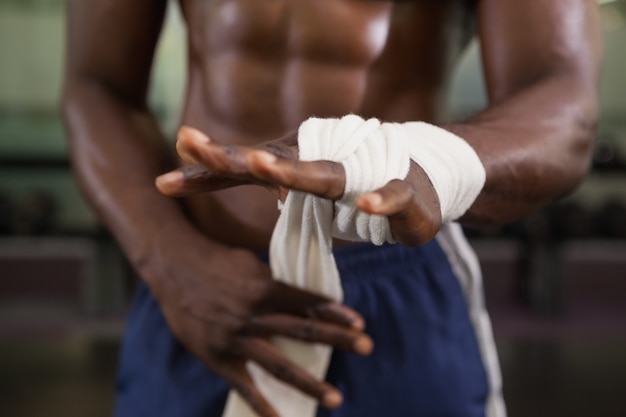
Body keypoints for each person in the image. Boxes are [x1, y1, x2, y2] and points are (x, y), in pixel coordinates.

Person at [62, 1, 602, 416]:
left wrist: (431, 163)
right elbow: (97, 85)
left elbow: (563, 106)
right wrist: (170, 261)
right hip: (197, 284)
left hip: (392, 290)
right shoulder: (181, 271)